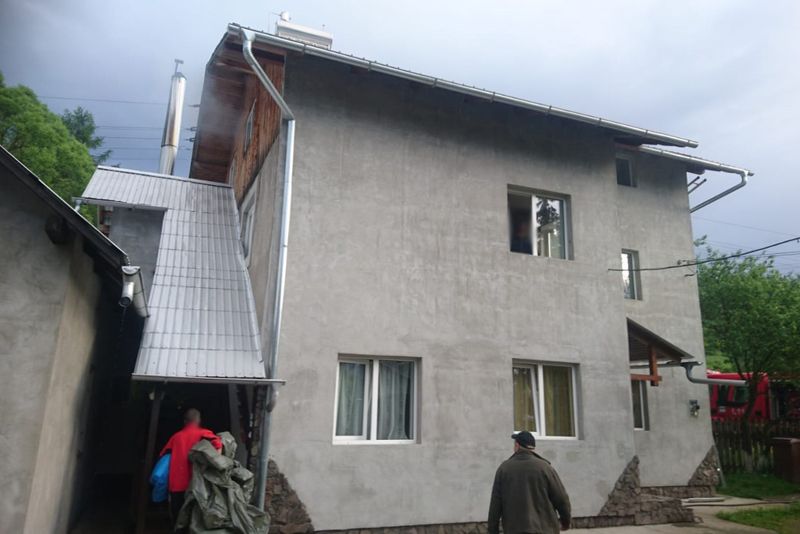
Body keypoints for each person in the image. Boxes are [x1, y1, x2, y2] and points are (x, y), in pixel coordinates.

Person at [488, 431, 571, 534]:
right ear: (533, 448)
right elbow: (561, 498)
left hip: (514, 530)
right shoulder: (545, 468)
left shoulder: (504, 469)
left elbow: (495, 504)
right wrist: (566, 522)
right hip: (544, 529)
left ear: (517, 445)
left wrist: (492, 530)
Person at [160, 408, 222, 525]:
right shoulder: (204, 434)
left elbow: (163, 458)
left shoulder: (175, 437)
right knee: (195, 522)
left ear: (185, 421)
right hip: (197, 486)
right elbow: (218, 445)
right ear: (199, 420)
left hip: (176, 485)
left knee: (178, 520)